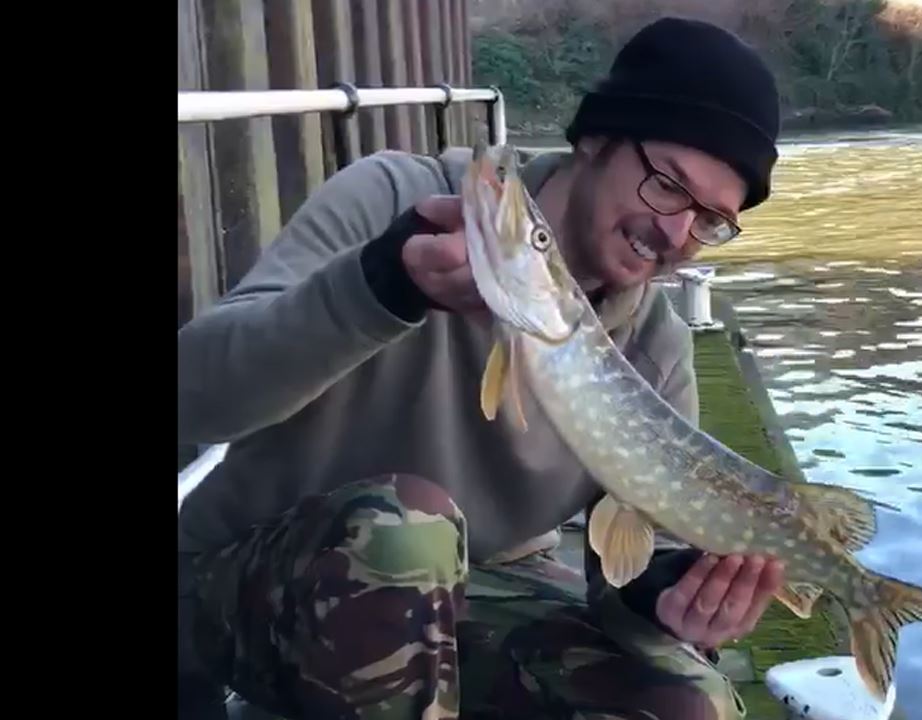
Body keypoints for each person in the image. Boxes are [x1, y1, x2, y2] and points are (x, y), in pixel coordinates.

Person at [178, 16, 783, 720]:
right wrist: (379, 287)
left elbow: (625, 567)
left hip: (476, 585)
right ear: (596, 138)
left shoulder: (656, 347)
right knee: (405, 535)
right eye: (667, 184)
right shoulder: (390, 200)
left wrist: (667, 596)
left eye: (709, 220)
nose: (676, 233)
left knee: (688, 703)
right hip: (236, 583)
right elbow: (193, 398)